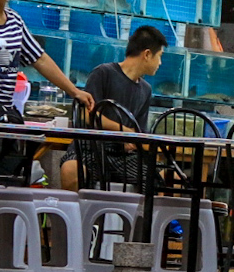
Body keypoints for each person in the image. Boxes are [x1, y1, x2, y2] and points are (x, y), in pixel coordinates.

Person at [57, 26, 165, 191]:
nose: (160, 63)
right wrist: (124, 132)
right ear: (147, 54)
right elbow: (88, 115)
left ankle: (144, 217)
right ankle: (78, 216)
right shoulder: (103, 73)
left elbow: (139, 132)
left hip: (124, 156)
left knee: (166, 177)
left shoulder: (146, 90)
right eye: (159, 56)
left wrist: (136, 142)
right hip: (91, 148)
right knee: (71, 170)